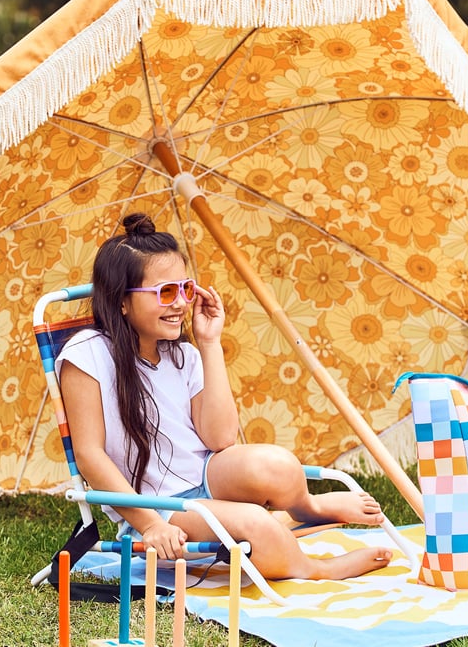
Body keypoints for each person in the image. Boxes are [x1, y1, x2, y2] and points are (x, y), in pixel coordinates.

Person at [57, 212, 392, 580]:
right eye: (165, 292)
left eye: (185, 288)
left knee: (278, 465)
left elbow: (220, 439)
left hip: (206, 475)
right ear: (122, 301)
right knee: (253, 524)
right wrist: (151, 524)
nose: (181, 303)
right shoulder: (87, 355)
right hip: (161, 507)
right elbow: (89, 455)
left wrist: (209, 342)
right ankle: (314, 569)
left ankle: (307, 506)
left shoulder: (181, 352)